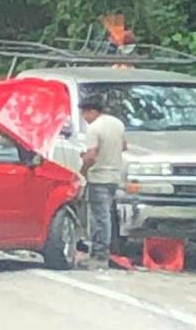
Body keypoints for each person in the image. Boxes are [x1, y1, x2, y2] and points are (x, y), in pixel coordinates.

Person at [78, 94, 127, 270]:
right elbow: (124, 146)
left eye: (84, 114)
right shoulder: (117, 123)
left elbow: (91, 155)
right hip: (115, 176)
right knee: (106, 215)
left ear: (92, 111)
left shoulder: (94, 128)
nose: (84, 118)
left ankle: (100, 254)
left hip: (99, 176)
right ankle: (104, 251)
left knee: (99, 217)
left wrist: (82, 171)